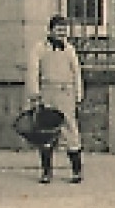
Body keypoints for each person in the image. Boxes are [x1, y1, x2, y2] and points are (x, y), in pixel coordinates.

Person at [26, 15, 85, 184]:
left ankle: (77, 171)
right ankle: (46, 172)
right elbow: (33, 71)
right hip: (47, 92)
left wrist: (78, 95)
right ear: (50, 30)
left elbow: (76, 73)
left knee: (70, 130)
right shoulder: (39, 48)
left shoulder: (69, 49)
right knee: (46, 132)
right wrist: (35, 94)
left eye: (64, 30)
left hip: (66, 93)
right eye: (58, 30)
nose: (61, 33)